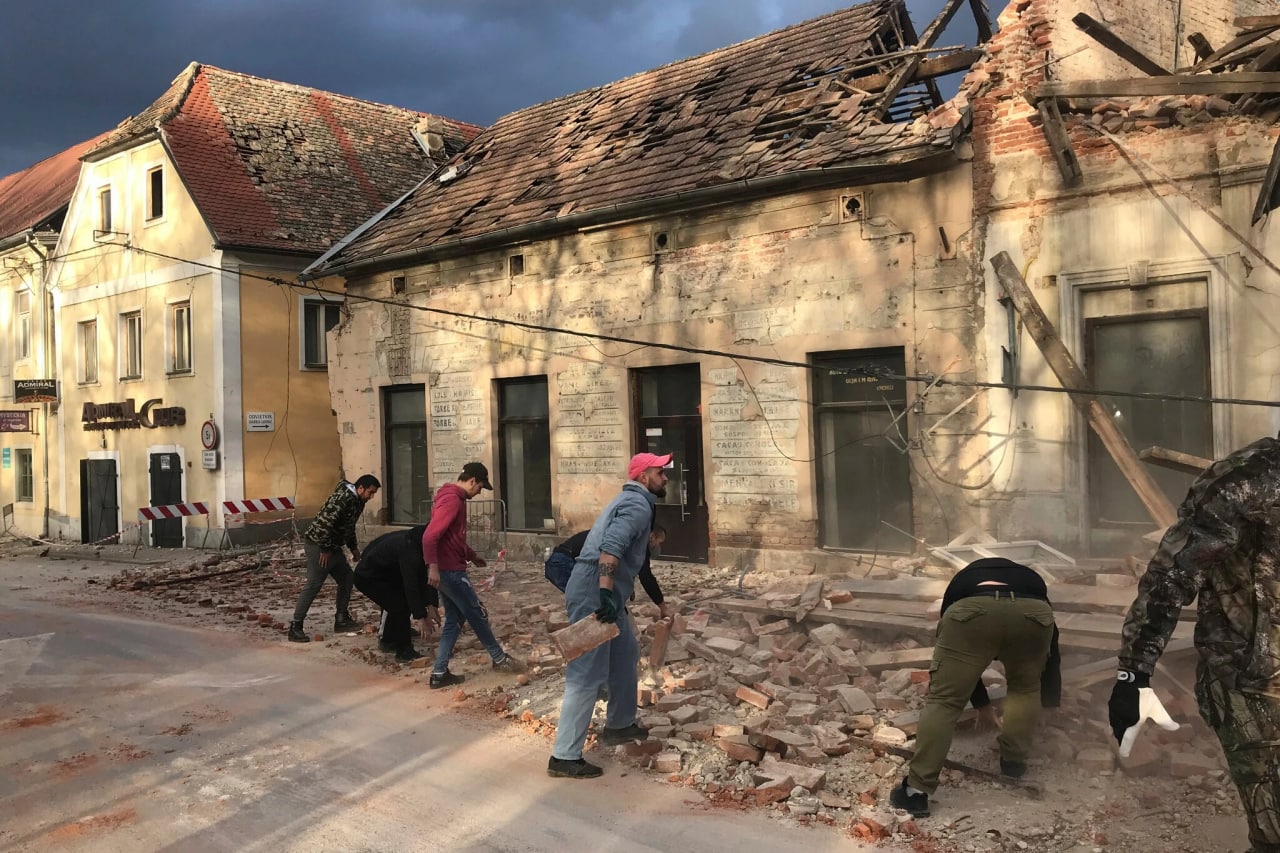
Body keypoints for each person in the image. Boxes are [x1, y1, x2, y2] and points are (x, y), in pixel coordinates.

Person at [1109, 436, 1280, 853]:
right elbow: (1173, 575)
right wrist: (1134, 674)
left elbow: (1172, 575)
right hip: (1256, 683)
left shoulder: (1248, 479)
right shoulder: (1248, 479)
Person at [891, 557, 1061, 817]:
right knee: (1025, 689)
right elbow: (1053, 650)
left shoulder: (962, 583)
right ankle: (1014, 764)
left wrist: (981, 704)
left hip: (972, 611)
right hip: (1033, 613)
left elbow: (965, 670)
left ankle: (916, 792)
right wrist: (1051, 700)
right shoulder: (1032, 582)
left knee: (944, 701)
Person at [548, 451, 671, 779]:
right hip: (594, 588)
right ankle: (564, 756)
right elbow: (611, 548)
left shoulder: (636, 502)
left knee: (625, 653)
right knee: (587, 671)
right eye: (660, 472)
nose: (666, 477)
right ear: (644, 476)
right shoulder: (637, 505)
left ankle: (619, 724)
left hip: (606, 590)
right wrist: (604, 592)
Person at [424, 462, 524, 689]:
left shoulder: (451, 497)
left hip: (448, 568)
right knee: (476, 613)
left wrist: (471, 555)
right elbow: (430, 536)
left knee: (455, 618)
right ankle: (499, 658)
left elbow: (452, 537)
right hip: (450, 571)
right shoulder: (452, 500)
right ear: (472, 481)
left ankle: (439, 673)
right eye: (480, 487)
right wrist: (433, 566)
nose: (479, 492)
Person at [289, 474, 380, 642]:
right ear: (360, 488)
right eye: (370, 492)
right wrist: (324, 549)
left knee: (347, 578)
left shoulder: (358, 501)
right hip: (319, 545)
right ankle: (296, 626)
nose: (371, 496)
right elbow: (325, 523)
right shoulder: (341, 498)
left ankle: (341, 619)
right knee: (314, 584)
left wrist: (353, 547)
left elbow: (348, 526)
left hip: (332, 547)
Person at [353, 525, 441, 662]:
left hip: (387, 573)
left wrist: (431, 605)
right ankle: (404, 651)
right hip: (368, 577)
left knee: (399, 604)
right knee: (400, 606)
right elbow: (411, 585)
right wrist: (421, 617)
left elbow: (424, 576)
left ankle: (391, 638)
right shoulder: (409, 550)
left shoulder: (415, 540)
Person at [546, 525, 672, 618]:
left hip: (563, 560)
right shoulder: (637, 544)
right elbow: (646, 577)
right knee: (590, 603)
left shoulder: (626, 536)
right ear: (652, 537)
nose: (658, 547)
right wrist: (663, 607)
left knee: (597, 604)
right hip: (563, 562)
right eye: (659, 543)